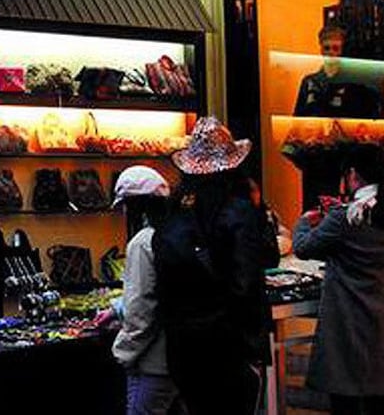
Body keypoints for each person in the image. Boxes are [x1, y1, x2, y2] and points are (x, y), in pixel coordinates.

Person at [154, 117, 269, 415]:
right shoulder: (237, 210)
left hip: (183, 343)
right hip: (228, 343)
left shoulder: (175, 211)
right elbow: (246, 282)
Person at [293, 144, 384, 415]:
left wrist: (306, 221)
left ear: (353, 175)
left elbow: (303, 247)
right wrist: (340, 211)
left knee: (345, 398)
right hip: (378, 313)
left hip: (344, 317)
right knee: (378, 392)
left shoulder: (343, 219)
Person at [97, 166, 186, 415]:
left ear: (135, 205)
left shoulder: (142, 243)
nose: (124, 212)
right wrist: (117, 308)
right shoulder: (182, 231)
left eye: (125, 205)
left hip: (154, 362)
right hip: (185, 355)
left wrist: (122, 352)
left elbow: (142, 308)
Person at [248, 178, 292, 260]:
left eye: (257, 191)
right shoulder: (243, 215)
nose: (257, 194)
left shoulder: (265, 210)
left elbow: (282, 231)